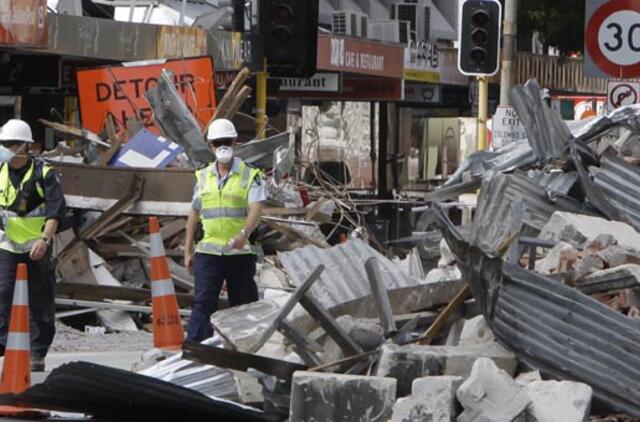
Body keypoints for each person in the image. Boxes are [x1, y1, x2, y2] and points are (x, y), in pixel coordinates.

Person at [184, 119, 266, 342]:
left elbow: (257, 206)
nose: (222, 147)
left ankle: (244, 349)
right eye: (218, 143)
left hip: (239, 254)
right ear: (210, 146)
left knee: (242, 305)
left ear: (234, 143)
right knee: (203, 302)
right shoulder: (203, 177)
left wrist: (244, 233)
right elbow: (194, 213)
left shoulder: (250, 175)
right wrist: (188, 250)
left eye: (226, 142)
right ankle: (197, 351)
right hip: (209, 254)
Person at [0, 119, 65, 371]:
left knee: (40, 301)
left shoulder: (43, 173)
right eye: (3, 143)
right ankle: (5, 344)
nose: (5, 147)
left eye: (10, 143)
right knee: (2, 293)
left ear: (24, 146)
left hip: (37, 246)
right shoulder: (1, 171)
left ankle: (37, 352)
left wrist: (44, 240)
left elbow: (55, 211)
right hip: (7, 245)